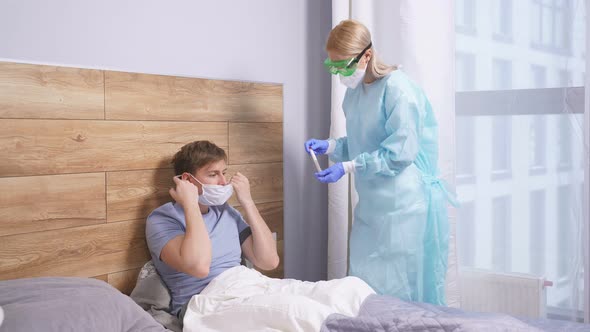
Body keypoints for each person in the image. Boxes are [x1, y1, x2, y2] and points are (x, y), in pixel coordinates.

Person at [305, 19, 457, 305]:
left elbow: (399, 153)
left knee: (403, 291)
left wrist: (349, 167)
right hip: (373, 207)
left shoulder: (399, 90)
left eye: (344, 65)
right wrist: (331, 146)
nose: (339, 73)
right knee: (364, 286)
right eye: (332, 66)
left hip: (405, 207)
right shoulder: (354, 93)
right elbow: (362, 143)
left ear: (367, 55)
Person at [145, 140, 280, 321]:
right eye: (213, 174)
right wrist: (190, 203)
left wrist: (248, 202)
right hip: (204, 303)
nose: (224, 182)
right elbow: (199, 267)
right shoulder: (162, 219)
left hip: (246, 288)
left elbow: (269, 261)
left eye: (224, 173)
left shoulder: (226, 212)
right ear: (187, 180)